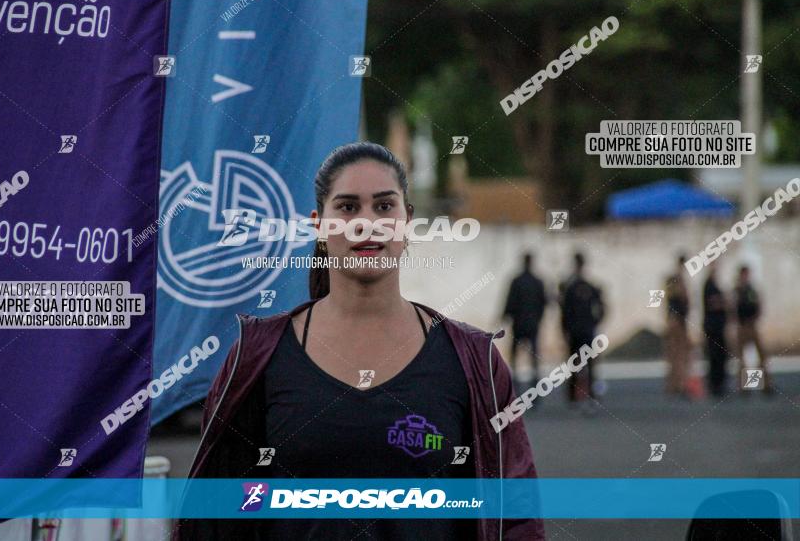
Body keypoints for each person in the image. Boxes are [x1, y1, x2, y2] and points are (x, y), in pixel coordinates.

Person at [174, 142, 544, 541]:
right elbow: (214, 516)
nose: (367, 222)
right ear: (318, 225)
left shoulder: (473, 362)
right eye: (348, 207)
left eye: (384, 206)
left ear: (408, 221)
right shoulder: (257, 356)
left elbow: (516, 516)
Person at [560, 252, 605, 404]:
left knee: (574, 363)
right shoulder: (590, 287)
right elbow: (602, 308)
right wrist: (595, 322)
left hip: (576, 331)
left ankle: (573, 396)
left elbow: (564, 311)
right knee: (589, 363)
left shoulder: (570, 288)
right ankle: (590, 393)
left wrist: (565, 329)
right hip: (586, 330)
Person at [503, 253, 547, 387]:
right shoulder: (537, 282)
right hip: (532, 324)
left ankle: (515, 385)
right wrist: (538, 319)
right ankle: (534, 386)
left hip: (519, 324)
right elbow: (543, 303)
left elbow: (510, 302)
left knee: (515, 356)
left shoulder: (517, 281)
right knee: (533, 357)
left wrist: (506, 316)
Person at [735, 266, 772, 394]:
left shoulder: (751, 290)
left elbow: (758, 304)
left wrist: (756, 318)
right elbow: (733, 308)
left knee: (761, 356)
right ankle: (745, 387)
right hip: (742, 326)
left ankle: (765, 385)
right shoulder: (737, 290)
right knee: (742, 359)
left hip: (752, 325)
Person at [664, 255, 692, 396]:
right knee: (678, 354)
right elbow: (675, 299)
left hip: (678, 320)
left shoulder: (678, 280)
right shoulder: (675, 280)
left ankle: (674, 385)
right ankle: (678, 385)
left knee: (677, 354)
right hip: (676, 321)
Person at [702, 261, 729, 397]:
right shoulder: (709, 285)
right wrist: (724, 302)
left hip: (718, 326)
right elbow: (712, 303)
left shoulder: (714, 284)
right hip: (713, 327)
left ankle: (719, 384)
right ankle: (715, 385)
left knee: (720, 356)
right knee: (715, 356)